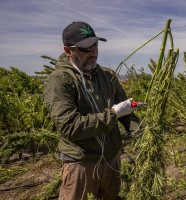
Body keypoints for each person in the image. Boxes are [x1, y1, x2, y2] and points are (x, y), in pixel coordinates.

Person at [44, 21, 140, 200]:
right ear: (68, 50)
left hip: (112, 160)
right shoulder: (60, 80)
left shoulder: (108, 76)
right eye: (86, 49)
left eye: (95, 46)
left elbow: (126, 112)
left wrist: (140, 130)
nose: (93, 53)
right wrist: (113, 114)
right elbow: (70, 127)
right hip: (82, 164)